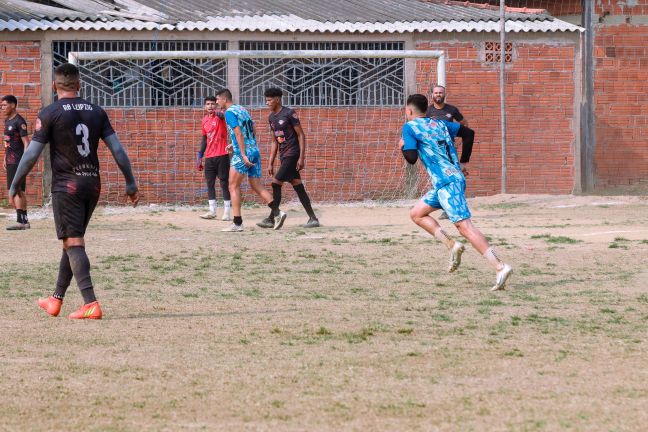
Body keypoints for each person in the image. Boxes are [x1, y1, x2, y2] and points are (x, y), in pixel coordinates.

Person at [9, 63, 139, 319]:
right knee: (71, 243)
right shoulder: (97, 111)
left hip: (66, 186)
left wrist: (14, 183)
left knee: (73, 242)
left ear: (54, 85)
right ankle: (55, 299)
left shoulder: (49, 113)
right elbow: (119, 151)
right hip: (92, 183)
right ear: (79, 85)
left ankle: (90, 303)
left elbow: (32, 153)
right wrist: (130, 182)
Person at [400, 94, 512, 291]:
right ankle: (452, 245)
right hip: (446, 182)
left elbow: (410, 158)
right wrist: (464, 161)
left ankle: (500, 266)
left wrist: (403, 147)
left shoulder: (410, 127)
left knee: (464, 226)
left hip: (447, 183)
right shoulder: (440, 123)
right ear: (426, 110)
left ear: (409, 111)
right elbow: (469, 133)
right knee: (417, 214)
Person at [215, 88, 285, 232]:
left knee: (232, 186)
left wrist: (242, 153)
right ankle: (278, 213)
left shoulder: (228, 113)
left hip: (244, 153)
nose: (216, 103)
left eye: (217, 100)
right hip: (254, 150)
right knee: (256, 185)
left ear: (224, 99)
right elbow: (252, 127)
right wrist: (235, 144)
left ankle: (237, 223)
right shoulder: (241, 109)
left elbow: (239, 133)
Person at [256, 88, 319, 229]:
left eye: (269, 100)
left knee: (276, 182)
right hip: (284, 155)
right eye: (266, 100)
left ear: (277, 99)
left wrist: (301, 157)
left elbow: (301, 135)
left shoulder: (289, 113)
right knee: (297, 185)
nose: (267, 103)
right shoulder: (271, 117)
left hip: (293, 153)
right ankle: (313, 218)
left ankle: (273, 217)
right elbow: (274, 141)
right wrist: (270, 162)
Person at [426, 84, 476, 219]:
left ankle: (451, 207)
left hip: (449, 150)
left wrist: (459, 137)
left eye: (440, 93)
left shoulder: (452, 110)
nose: (438, 95)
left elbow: (464, 123)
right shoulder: (428, 111)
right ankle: (447, 206)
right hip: (435, 151)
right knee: (441, 179)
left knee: (455, 177)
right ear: (432, 95)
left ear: (444, 94)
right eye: (436, 93)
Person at [196, 96, 231, 221]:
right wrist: (200, 155)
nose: (210, 106)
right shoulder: (204, 120)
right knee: (210, 183)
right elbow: (204, 138)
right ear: (204, 106)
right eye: (208, 104)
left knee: (224, 183)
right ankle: (212, 211)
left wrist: (219, 112)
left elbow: (224, 116)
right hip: (209, 156)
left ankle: (227, 212)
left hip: (222, 155)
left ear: (216, 106)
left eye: (212, 104)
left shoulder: (221, 116)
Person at [2, 95, 31, 230]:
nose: (2, 107)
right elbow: (8, 143)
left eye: (4, 105)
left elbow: (27, 142)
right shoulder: (7, 121)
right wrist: (4, 158)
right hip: (10, 160)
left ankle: (21, 222)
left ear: (13, 105)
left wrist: (24, 160)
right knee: (19, 191)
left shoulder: (19, 121)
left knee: (15, 190)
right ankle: (25, 221)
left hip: (18, 160)